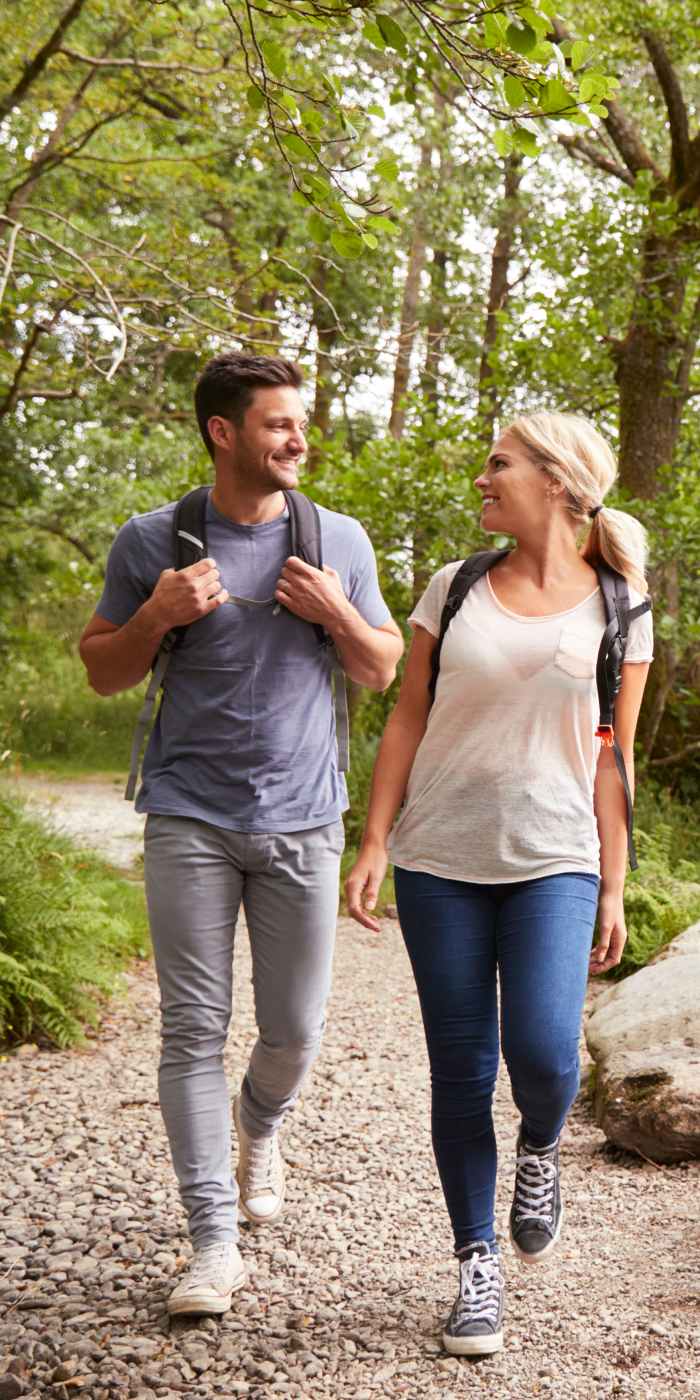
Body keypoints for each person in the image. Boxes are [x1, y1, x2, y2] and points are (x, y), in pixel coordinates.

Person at [79, 352, 403, 1316]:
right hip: (188, 816)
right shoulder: (154, 539)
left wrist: (339, 610)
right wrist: (156, 614)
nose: (299, 438)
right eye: (278, 424)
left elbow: (383, 669)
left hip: (305, 820)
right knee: (191, 1029)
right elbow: (102, 670)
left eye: (301, 421)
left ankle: (261, 1120)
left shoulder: (336, 536)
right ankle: (211, 1241)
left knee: (295, 1031)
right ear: (224, 433)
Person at [346, 412, 653, 1357]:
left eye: (498, 463)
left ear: (557, 484)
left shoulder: (621, 605)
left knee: (547, 1054)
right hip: (441, 858)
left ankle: (539, 1150)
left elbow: (616, 757)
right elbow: (406, 717)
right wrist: (375, 838)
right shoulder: (457, 585)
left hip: (556, 855)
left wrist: (613, 883)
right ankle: (476, 1264)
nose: (482, 478)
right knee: (463, 1070)